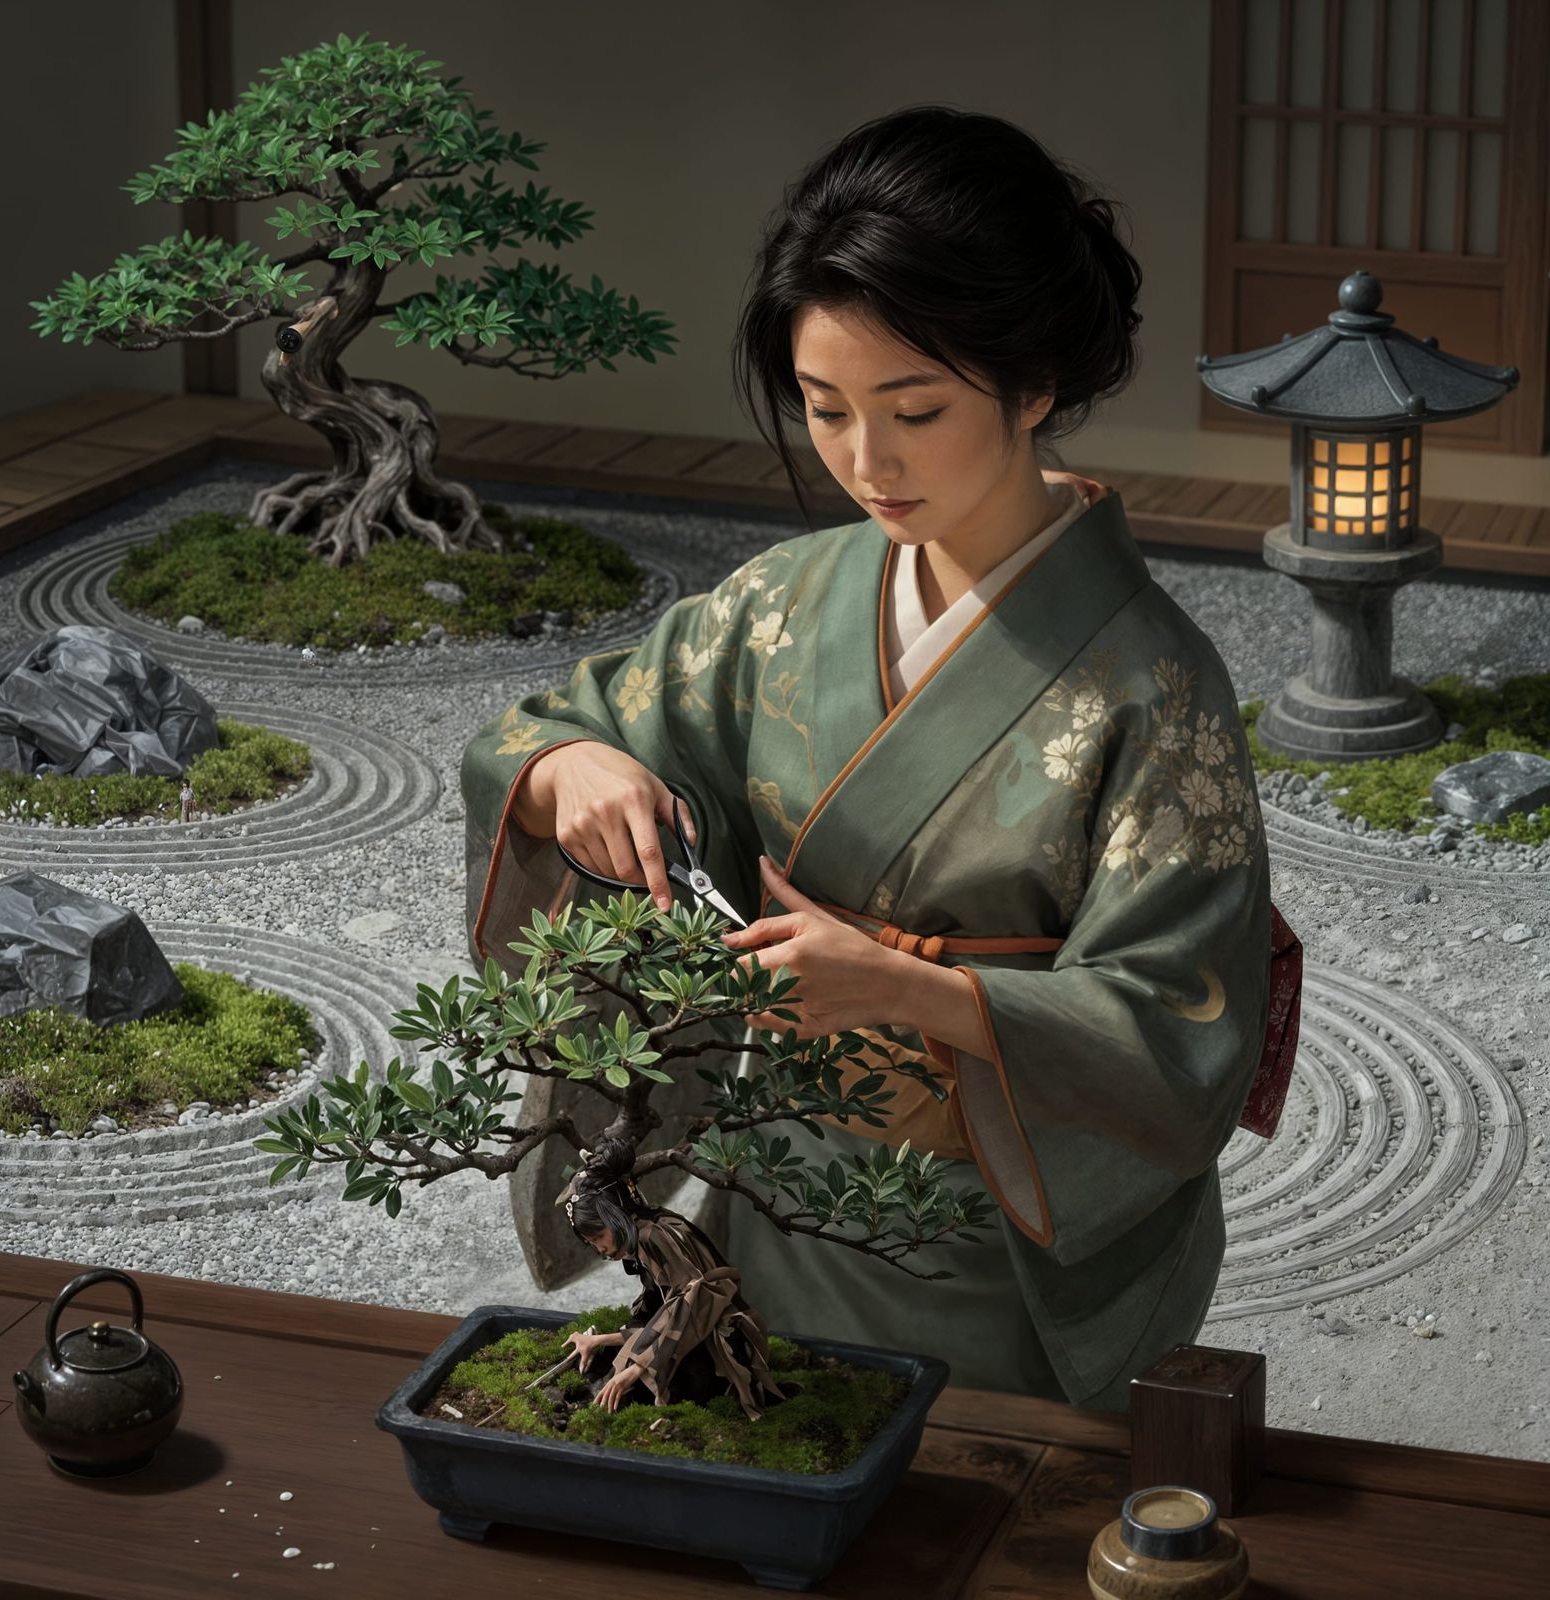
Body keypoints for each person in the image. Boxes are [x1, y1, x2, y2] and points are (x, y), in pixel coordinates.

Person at [461, 104, 1272, 1412]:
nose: (865, 461)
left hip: (993, 1234)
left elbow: (1189, 1023)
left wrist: (919, 994)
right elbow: (554, 730)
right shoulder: (790, 601)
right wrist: (571, 774)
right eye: (825, 409)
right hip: (781, 1197)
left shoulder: (1153, 684)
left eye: (915, 409)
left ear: (1036, 381)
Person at [556, 1136, 786, 1419]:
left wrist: (638, 1367)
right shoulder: (644, 1238)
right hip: (687, 1335)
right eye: (590, 1243)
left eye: (599, 1236)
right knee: (611, 1371)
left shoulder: (656, 1236)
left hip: (719, 1343)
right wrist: (600, 1340)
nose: (599, 1248)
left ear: (615, 1214)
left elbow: (689, 1308)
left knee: (633, 1390)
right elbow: (660, 1314)